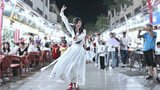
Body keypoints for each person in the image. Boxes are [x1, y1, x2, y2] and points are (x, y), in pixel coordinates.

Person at [41, 5, 86, 90]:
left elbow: (82, 37)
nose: (78, 24)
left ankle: (76, 83)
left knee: (77, 67)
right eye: (77, 22)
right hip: (73, 50)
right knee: (69, 67)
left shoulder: (83, 31)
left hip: (80, 50)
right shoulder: (72, 30)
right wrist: (61, 13)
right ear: (75, 23)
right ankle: (70, 84)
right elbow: (66, 22)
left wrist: (78, 38)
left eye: (80, 22)